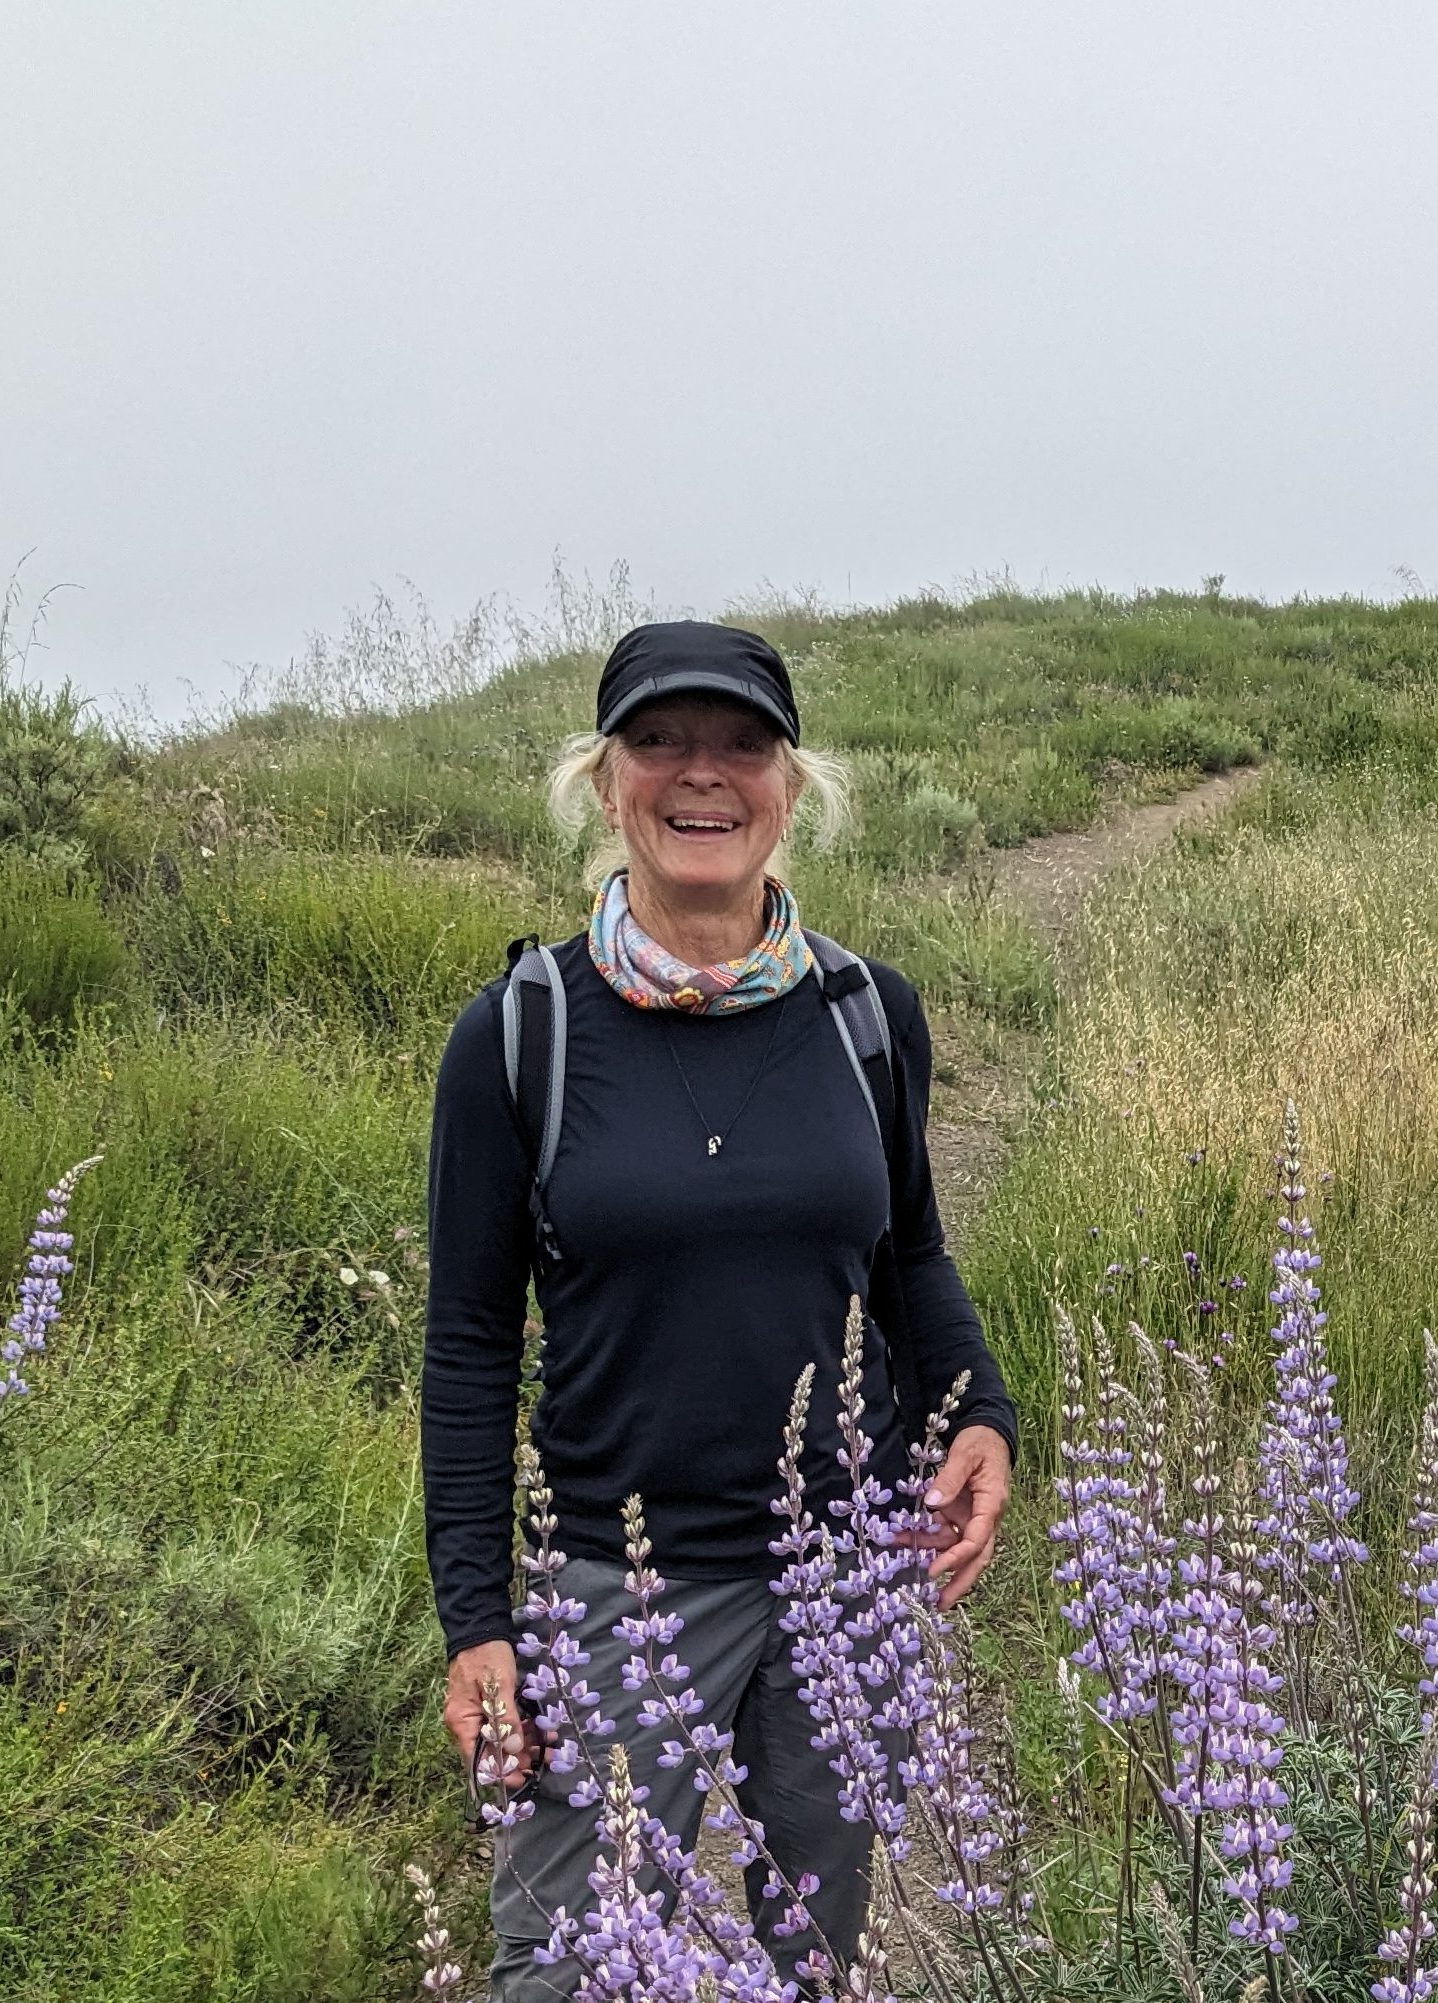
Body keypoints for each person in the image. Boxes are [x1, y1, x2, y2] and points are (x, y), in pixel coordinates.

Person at [420, 620, 1018, 1996]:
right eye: (661, 743)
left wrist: (978, 1407)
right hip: (614, 1587)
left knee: (817, 1952)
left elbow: (909, 1254)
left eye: (741, 745)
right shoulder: (522, 1031)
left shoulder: (866, 1014)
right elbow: (464, 1349)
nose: (703, 776)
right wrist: (477, 1625)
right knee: (567, 1964)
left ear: (790, 787)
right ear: (604, 778)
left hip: (842, 1574)